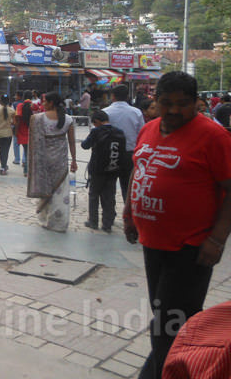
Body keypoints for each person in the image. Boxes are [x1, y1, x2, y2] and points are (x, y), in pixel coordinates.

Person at [123, 71, 231, 379]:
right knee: (166, 317)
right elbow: (138, 170)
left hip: (191, 246)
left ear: (196, 103)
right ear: (155, 101)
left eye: (182, 104)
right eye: (166, 102)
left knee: (170, 323)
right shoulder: (149, 128)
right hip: (153, 242)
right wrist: (129, 212)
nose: (173, 110)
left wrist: (217, 240)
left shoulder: (214, 136)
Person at [27, 91, 77, 232]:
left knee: (45, 189)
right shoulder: (68, 119)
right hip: (61, 161)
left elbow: (34, 141)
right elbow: (72, 142)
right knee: (60, 193)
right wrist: (74, 160)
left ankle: (45, 218)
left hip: (43, 160)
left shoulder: (39, 118)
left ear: (51, 103)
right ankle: (59, 223)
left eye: (44, 101)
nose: (43, 104)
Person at [81, 110, 125, 232]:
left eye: (94, 123)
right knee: (109, 197)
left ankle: (93, 221)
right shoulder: (119, 132)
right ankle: (107, 224)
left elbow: (85, 145)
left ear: (97, 121)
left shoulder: (96, 131)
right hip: (113, 169)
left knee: (94, 195)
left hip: (97, 169)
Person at [103, 84, 144, 202]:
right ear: (127, 97)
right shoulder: (136, 112)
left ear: (112, 96)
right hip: (129, 154)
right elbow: (142, 133)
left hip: (110, 154)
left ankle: (109, 212)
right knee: (128, 187)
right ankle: (128, 210)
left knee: (109, 186)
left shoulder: (105, 112)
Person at [0, 95, 15, 176]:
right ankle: (3, 167)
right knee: (5, 150)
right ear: (8, 101)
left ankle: (3, 166)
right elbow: (14, 122)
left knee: (2, 150)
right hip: (8, 133)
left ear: (0, 101)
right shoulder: (12, 111)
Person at [14, 91, 34, 175]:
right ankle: (29, 169)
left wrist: (16, 131)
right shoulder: (35, 106)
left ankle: (26, 170)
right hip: (33, 131)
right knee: (31, 152)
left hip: (22, 131)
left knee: (26, 151)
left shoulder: (20, 106)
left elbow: (17, 119)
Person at [11, 92, 23, 165]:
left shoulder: (14, 104)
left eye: (16, 95)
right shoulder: (27, 104)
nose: (15, 97)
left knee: (16, 143)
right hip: (25, 126)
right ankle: (24, 160)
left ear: (19, 96)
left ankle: (17, 159)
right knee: (25, 143)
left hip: (16, 126)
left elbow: (12, 115)